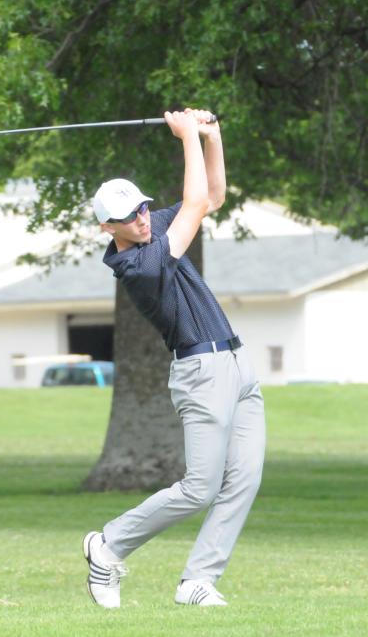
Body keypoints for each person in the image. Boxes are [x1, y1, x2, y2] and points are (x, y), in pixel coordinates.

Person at [83, 108, 266, 608]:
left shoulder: (149, 228)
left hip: (237, 365)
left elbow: (210, 197)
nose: (142, 219)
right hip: (200, 373)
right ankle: (108, 545)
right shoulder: (137, 263)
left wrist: (213, 137)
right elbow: (190, 205)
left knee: (244, 479)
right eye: (129, 217)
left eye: (143, 209)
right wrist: (185, 136)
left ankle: (197, 580)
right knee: (199, 488)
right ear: (107, 228)